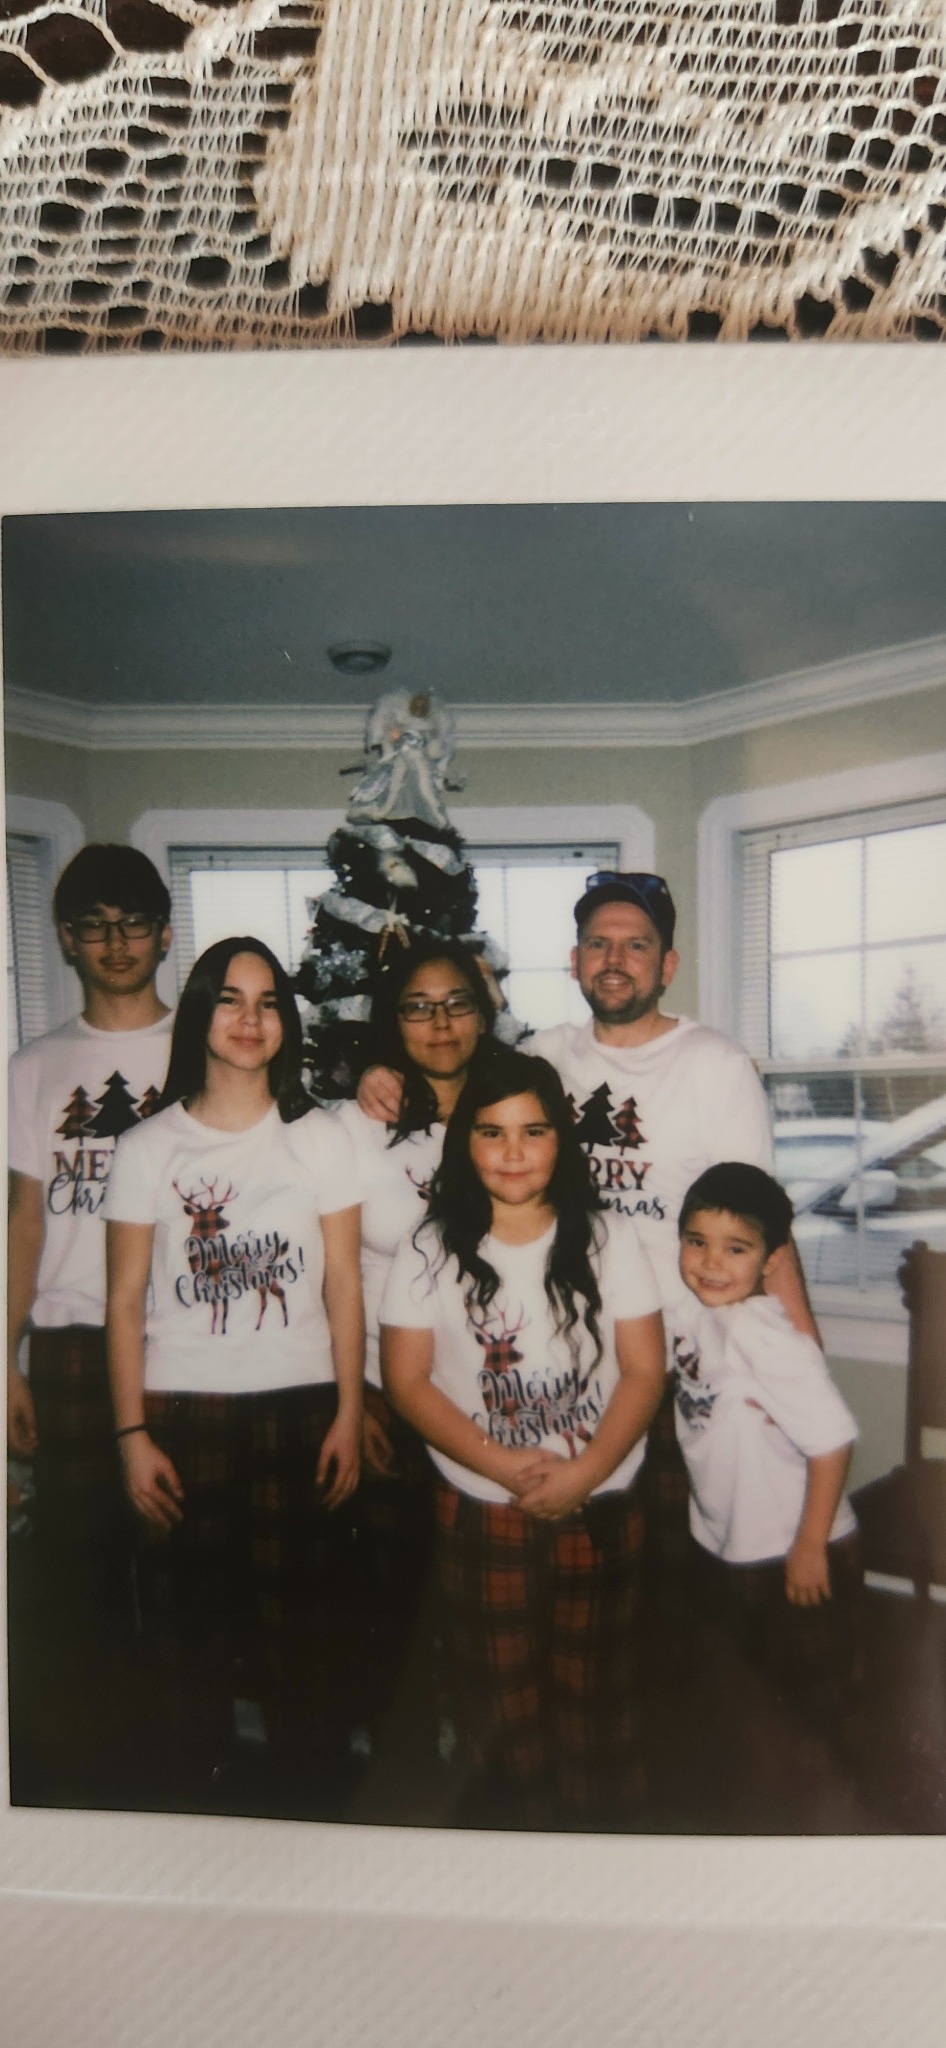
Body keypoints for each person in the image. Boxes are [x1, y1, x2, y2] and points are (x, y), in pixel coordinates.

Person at [104, 936, 364, 1809]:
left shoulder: (320, 1137)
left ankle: (309, 1802)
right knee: (188, 1628)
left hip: (300, 1406)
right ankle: (198, 1800)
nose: (251, 1020)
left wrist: (350, 1413)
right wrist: (132, 1435)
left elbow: (343, 1281)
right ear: (201, 1015)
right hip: (185, 1412)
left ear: (286, 1021)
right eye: (230, 999)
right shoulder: (148, 1147)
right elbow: (125, 1301)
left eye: (268, 1002)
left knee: (304, 1630)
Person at [380, 1048, 665, 1829]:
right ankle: (523, 1854)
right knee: (502, 1706)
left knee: (595, 1696)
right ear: (464, 1144)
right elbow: (407, 1381)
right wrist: (507, 1468)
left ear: (561, 1142)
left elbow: (645, 1371)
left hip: (600, 1502)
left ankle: (602, 1855)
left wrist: (586, 1471)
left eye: (533, 1132)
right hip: (482, 1507)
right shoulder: (426, 1248)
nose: (513, 1152)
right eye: (492, 1132)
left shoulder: (609, 1238)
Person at [6, 843, 173, 1800]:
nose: (116, 942)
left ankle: (184, 1762)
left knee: (177, 1557)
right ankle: (102, 1777)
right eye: (94, 926)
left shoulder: (201, 1047)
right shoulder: (36, 1066)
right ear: (67, 941)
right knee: (81, 1561)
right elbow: (25, 1221)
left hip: (178, 1340)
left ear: (163, 934)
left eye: (133, 922)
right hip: (70, 1340)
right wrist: (6, 1360)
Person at [334, 936, 498, 1757]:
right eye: (418, 1007)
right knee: (395, 1591)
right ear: (391, 1022)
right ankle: (400, 1765)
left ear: (484, 1013)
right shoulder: (355, 1125)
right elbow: (327, 1276)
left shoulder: (513, 1113)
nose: (440, 1023)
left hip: (491, 1397)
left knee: (484, 1599)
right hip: (385, 1395)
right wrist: (352, 1400)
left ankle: (485, 1759)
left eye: (457, 1003)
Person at [669, 1161, 862, 1825]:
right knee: (755, 1697)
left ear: (771, 1261)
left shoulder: (761, 1331)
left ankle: (825, 1825)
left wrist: (809, 1546)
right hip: (737, 1539)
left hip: (797, 1546)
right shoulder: (695, 1310)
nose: (710, 1263)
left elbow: (833, 1441)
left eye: (736, 1248)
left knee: (814, 1706)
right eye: (697, 1241)